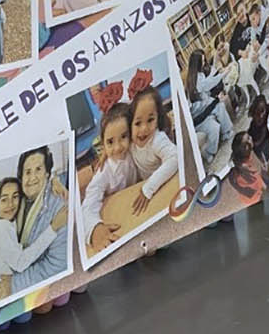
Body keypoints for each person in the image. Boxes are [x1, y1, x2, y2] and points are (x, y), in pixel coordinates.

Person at [0, 177, 60, 305]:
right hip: (0, 302)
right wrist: (53, 228)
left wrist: (54, 182)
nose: (10, 204)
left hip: (0, 301)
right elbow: (20, 263)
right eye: (4, 199)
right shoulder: (1, 227)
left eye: (15, 197)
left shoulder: (9, 225)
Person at [79, 103, 138, 254]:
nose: (117, 148)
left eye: (123, 137)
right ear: (103, 144)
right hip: (122, 217)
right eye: (110, 142)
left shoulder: (137, 149)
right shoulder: (104, 170)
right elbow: (88, 205)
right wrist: (94, 229)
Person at [128, 86, 180, 215]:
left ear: (158, 119)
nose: (144, 129)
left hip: (162, 185)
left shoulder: (157, 139)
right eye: (138, 123)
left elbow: (175, 157)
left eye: (150, 120)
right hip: (145, 185)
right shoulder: (130, 140)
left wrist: (149, 188)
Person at [184, 49, 234, 164]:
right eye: (202, 61)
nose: (203, 63)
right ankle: (208, 152)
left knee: (220, 106)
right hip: (199, 117)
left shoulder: (199, 75)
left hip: (205, 107)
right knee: (214, 126)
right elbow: (209, 85)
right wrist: (223, 74)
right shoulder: (195, 81)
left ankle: (226, 132)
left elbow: (209, 84)